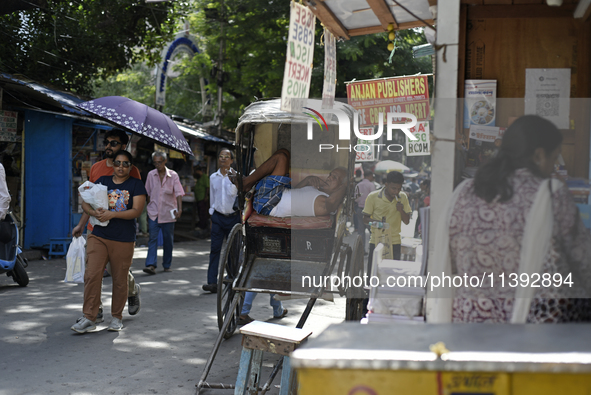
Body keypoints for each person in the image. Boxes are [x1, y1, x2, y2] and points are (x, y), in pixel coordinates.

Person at [428, 115, 591, 324]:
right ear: (539, 156)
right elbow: (584, 263)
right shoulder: (551, 195)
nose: (553, 167)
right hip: (531, 332)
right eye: (554, 157)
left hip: (468, 327)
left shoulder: (463, 192)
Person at [71, 150, 147, 333]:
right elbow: (85, 203)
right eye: (118, 163)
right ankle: (89, 316)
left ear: (131, 166)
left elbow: (136, 210)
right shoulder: (102, 182)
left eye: (125, 163)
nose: (121, 167)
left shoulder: (136, 185)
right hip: (99, 235)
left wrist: (113, 214)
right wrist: (92, 213)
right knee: (92, 275)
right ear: (113, 165)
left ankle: (116, 317)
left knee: (120, 279)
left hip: (123, 238)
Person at [234, 148, 348, 217]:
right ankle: (247, 182)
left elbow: (332, 201)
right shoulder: (320, 191)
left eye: (335, 178)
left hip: (270, 202)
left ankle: (246, 183)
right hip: (276, 195)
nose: (329, 178)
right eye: (330, 175)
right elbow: (295, 191)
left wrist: (348, 184)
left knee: (281, 158)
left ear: (341, 185)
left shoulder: (327, 202)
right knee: (284, 152)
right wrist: (307, 180)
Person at [202, 149, 240, 293]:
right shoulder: (213, 177)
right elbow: (213, 197)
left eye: (227, 157)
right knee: (215, 249)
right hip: (218, 217)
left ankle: (230, 278)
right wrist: (212, 212)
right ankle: (212, 282)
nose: (223, 159)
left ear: (231, 160)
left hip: (233, 218)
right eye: (221, 156)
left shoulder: (237, 177)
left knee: (231, 251)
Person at [143, 152, 185, 274]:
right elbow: (148, 193)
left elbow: (178, 193)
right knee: (152, 239)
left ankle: (167, 264)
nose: (157, 165)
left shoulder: (173, 175)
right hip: (154, 213)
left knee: (168, 240)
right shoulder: (151, 175)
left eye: (159, 162)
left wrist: (180, 209)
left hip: (168, 213)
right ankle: (151, 264)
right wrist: (148, 207)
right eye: (155, 162)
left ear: (165, 161)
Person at [363, 171, 411, 273]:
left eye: (399, 189)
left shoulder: (403, 197)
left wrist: (401, 210)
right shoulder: (373, 196)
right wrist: (378, 223)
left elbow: (407, 221)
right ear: (386, 185)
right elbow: (365, 219)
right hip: (376, 240)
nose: (396, 192)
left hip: (395, 242)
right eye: (393, 188)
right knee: (373, 272)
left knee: (392, 274)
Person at [354, 170, 376, 252]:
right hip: (369, 211)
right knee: (372, 231)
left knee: (361, 231)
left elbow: (356, 199)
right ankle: (372, 249)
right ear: (369, 176)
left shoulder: (359, 185)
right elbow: (374, 198)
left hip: (360, 209)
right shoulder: (371, 185)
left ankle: (361, 250)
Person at [193, 164, 210, 238]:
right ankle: (201, 225)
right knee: (200, 212)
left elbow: (207, 187)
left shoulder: (204, 177)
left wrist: (206, 196)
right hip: (198, 198)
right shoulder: (199, 178)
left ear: (199, 171)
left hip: (203, 198)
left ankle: (203, 226)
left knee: (203, 213)